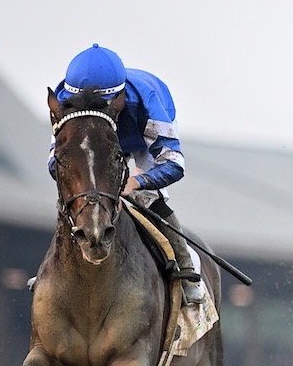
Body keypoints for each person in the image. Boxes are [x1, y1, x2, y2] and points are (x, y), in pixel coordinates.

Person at [48, 44, 205, 304]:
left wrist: (135, 182)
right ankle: (53, 269)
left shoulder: (149, 103)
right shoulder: (64, 102)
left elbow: (174, 163)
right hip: (97, 142)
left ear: (117, 99)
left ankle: (185, 268)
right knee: (75, 196)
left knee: (146, 197)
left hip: (140, 136)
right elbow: (55, 162)